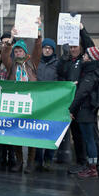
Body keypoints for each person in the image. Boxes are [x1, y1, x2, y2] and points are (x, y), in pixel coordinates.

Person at [57, 21, 99, 176]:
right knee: (78, 136)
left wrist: (82, 29)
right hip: (74, 105)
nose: (73, 49)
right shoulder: (70, 62)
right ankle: (83, 163)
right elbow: (61, 73)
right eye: (70, 47)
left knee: (92, 137)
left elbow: (90, 47)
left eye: (75, 47)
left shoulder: (90, 63)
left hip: (85, 105)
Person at [1, 22, 42, 174]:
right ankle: (19, 161)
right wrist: (11, 39)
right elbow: (5, 53)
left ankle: (30, 162)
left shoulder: (32, 64)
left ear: (25, 52)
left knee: (31, 133)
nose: (17, 52)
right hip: (15, 103)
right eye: (16, 50)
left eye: (20, 50)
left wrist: (38, 31)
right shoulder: (11, 65)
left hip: (31, 103)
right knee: (17, 133)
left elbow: (38, 48)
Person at [69, 46, 99, 178]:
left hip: (85, 112)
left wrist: (71, 110)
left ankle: (92, 169)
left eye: (85, 55)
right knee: (89, 139)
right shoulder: (91, 73)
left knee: (89, 140)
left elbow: (81, 94)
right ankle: (92, 167)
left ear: (90, 59)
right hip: (87, 111)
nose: (83, 56)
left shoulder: (90, 76)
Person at [35, 38, 59, 171]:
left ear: (53, 50)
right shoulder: (36, 62)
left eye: (50, 48)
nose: (47, 49)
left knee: (51, 131)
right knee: (38, 131)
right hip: (39, 102)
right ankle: (38, 159)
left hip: (53, 102)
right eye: (45, 47)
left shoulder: (58, 64)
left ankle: (48, 159)